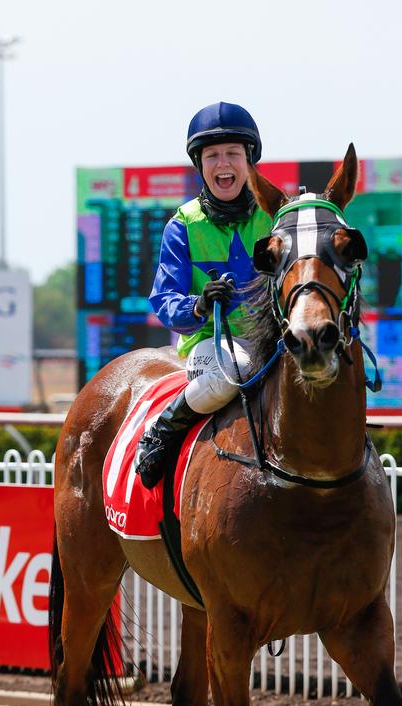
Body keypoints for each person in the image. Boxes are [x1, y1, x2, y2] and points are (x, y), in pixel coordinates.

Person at [134, 101, 272, 489]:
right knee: (237, 370)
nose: (222, 163)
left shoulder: (276, 217)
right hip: (210, 347)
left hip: (273, 344)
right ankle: (164, 427)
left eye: (232, 153)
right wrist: (197, 304)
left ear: (249, 161)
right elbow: (164, 300)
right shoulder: (182, 225)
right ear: (200, 164)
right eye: (212, 155)